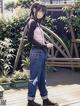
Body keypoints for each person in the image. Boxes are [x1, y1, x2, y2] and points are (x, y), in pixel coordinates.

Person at [26, 3, 59, 106]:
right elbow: (30, 39)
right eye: (39, 11)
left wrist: (46, 44)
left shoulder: (38, 24)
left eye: (43, 11)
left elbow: (38, 39)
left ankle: (45, 100)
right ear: (34, 11)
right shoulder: (32, 23)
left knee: (41, 78)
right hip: (36, 52)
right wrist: (43, 45)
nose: (41, 13)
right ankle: (30, 101)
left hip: (41, 52)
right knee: (34, 78)